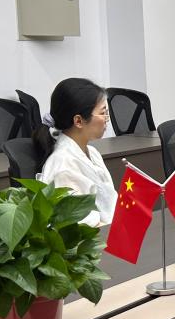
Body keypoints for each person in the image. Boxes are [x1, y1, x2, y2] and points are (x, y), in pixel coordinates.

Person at [33, 78, 116, 226]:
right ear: (78, 121)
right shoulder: (63, 164)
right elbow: (79, 225)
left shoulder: (92, 153)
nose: (107, 119)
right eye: (103, 113)